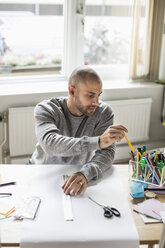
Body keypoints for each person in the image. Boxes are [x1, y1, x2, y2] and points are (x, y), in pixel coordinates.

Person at [30, 66, 128, 196]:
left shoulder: (104, 112)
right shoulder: (47, 109)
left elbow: (107, 152)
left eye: (99, 95)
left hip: (76, 172)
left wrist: (86, 173)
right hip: (41, 171)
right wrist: (97, 141)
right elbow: (49, 144)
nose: (96, 102)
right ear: (72, 91)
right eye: (91, 95)